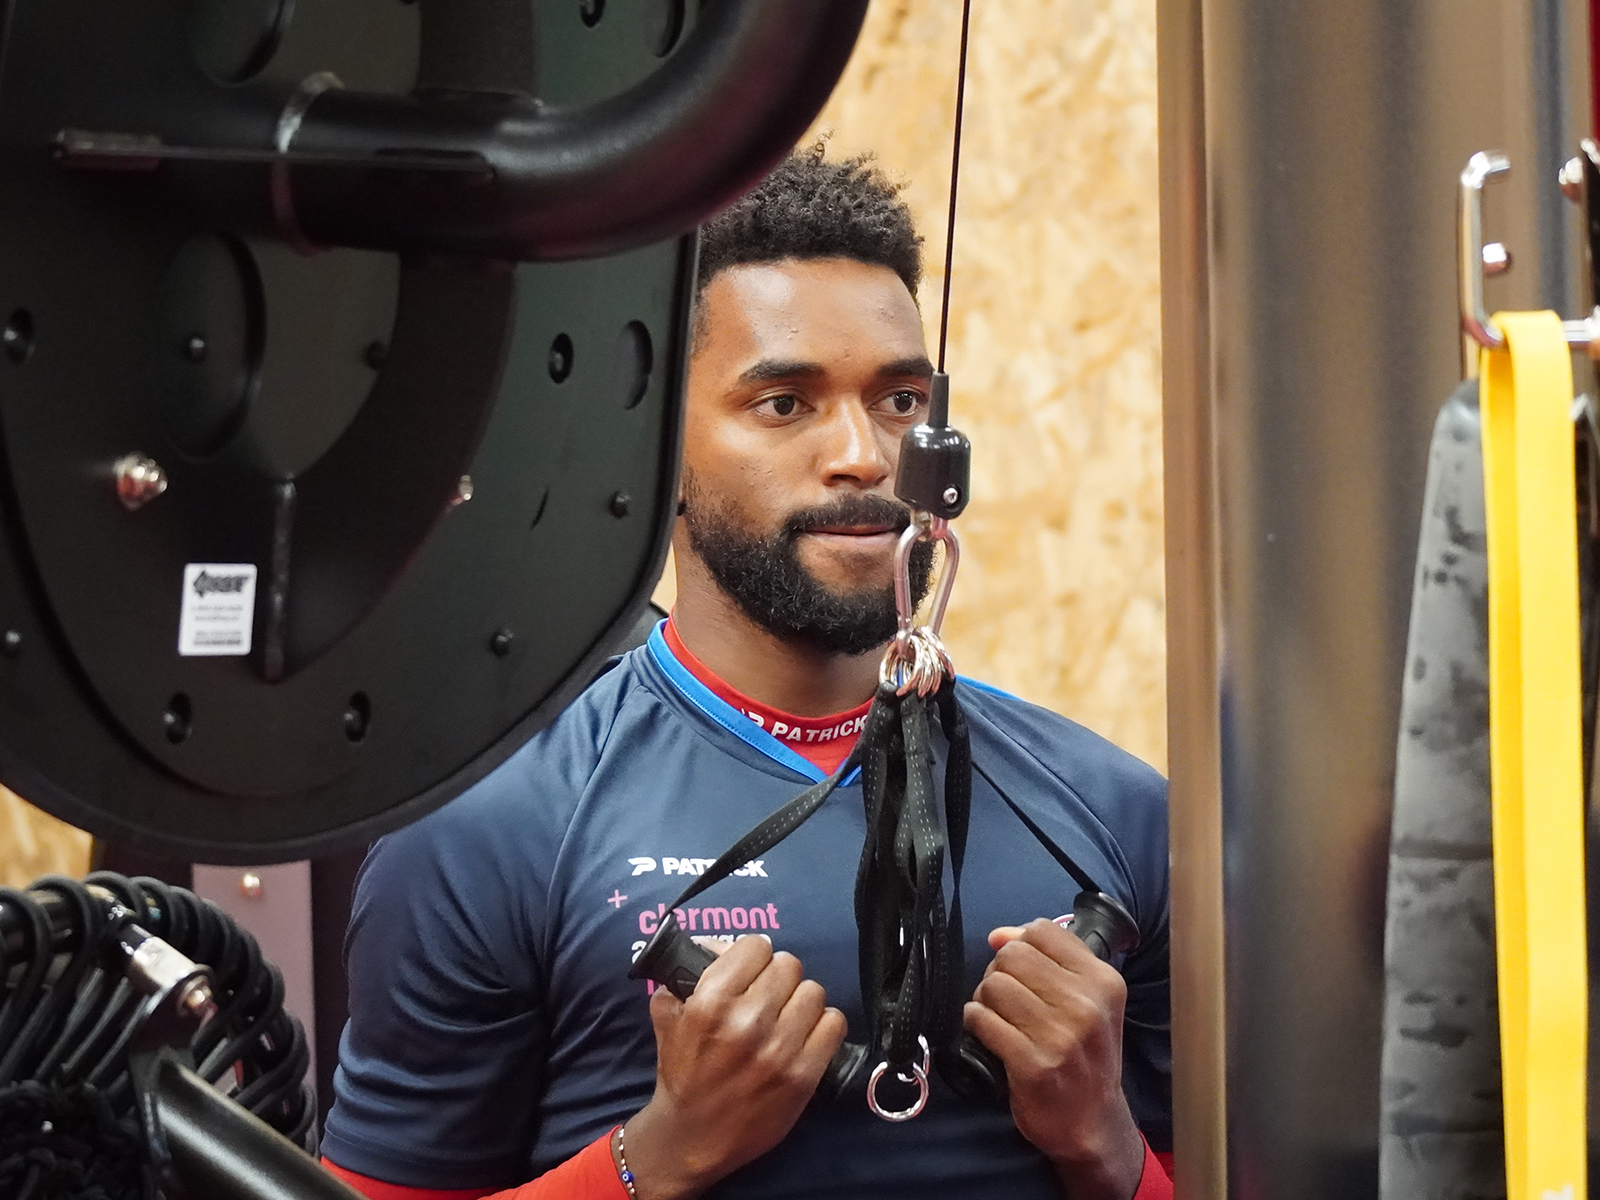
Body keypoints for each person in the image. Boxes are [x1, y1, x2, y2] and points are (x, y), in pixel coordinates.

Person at [320, 147, 1171, 1200]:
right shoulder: (493, 825)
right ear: (655, 451)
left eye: (901, 400)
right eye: (784, 403)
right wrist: (663, 1154)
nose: (865, 453)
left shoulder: (1118, 816)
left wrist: (1104, 1145)